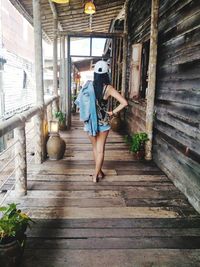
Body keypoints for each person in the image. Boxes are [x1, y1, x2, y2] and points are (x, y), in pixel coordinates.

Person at [76, 60, 128, 182]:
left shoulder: (88, 85)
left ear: (95, 74)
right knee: (100, 150)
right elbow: (124, 103)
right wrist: (113, 112)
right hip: (103, 123)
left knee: (95, 149)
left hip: (90, 123)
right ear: (106, 74)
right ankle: (96, 175)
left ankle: (98, 172)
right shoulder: (108, 88)